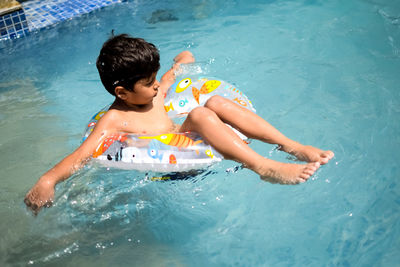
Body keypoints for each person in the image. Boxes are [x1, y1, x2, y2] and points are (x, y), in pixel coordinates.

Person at [24, 34, 334, 214]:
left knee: (216, 103)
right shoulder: (116, 119)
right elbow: (81, 155)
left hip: (186, 142)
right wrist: (48, 179)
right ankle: (263, 167)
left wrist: (181, 61)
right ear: (122, 92)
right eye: (148, 82)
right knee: (200, 114)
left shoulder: (152, 93)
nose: (157, 86)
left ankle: (292, 145)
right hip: (173, 171)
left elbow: (172, 77)